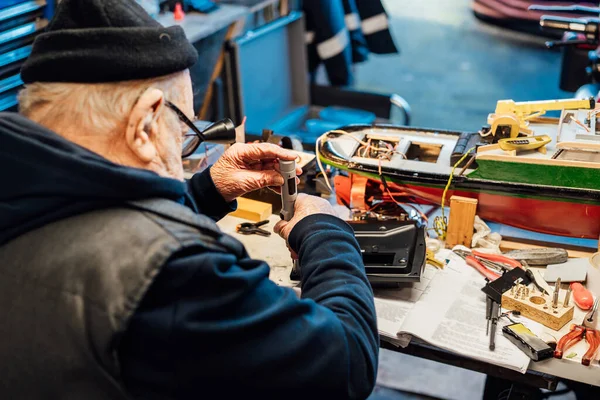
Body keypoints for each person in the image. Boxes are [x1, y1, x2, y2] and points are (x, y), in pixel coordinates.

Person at [0, 0, 378, 399]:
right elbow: (344, 365)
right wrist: (325, 230)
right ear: (144, 125)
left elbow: (93, 220)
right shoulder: (180, 274)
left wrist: (205, 191)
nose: (184, 147)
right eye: (185, 131)